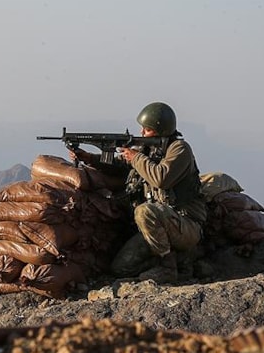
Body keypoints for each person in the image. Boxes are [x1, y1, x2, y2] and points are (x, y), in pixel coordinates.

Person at [68, 102, 206, 282]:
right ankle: (180, 260)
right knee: (121, 267)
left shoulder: (179, 149)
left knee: (144, 211)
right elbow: (120, 165)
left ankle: (168, 267)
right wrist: (90, 158)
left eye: (147, 130)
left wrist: (136, 157)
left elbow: (161, 178)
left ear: (161, 130)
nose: (142, 133)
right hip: (157, 226)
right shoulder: (148, 149)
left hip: (185, 224)